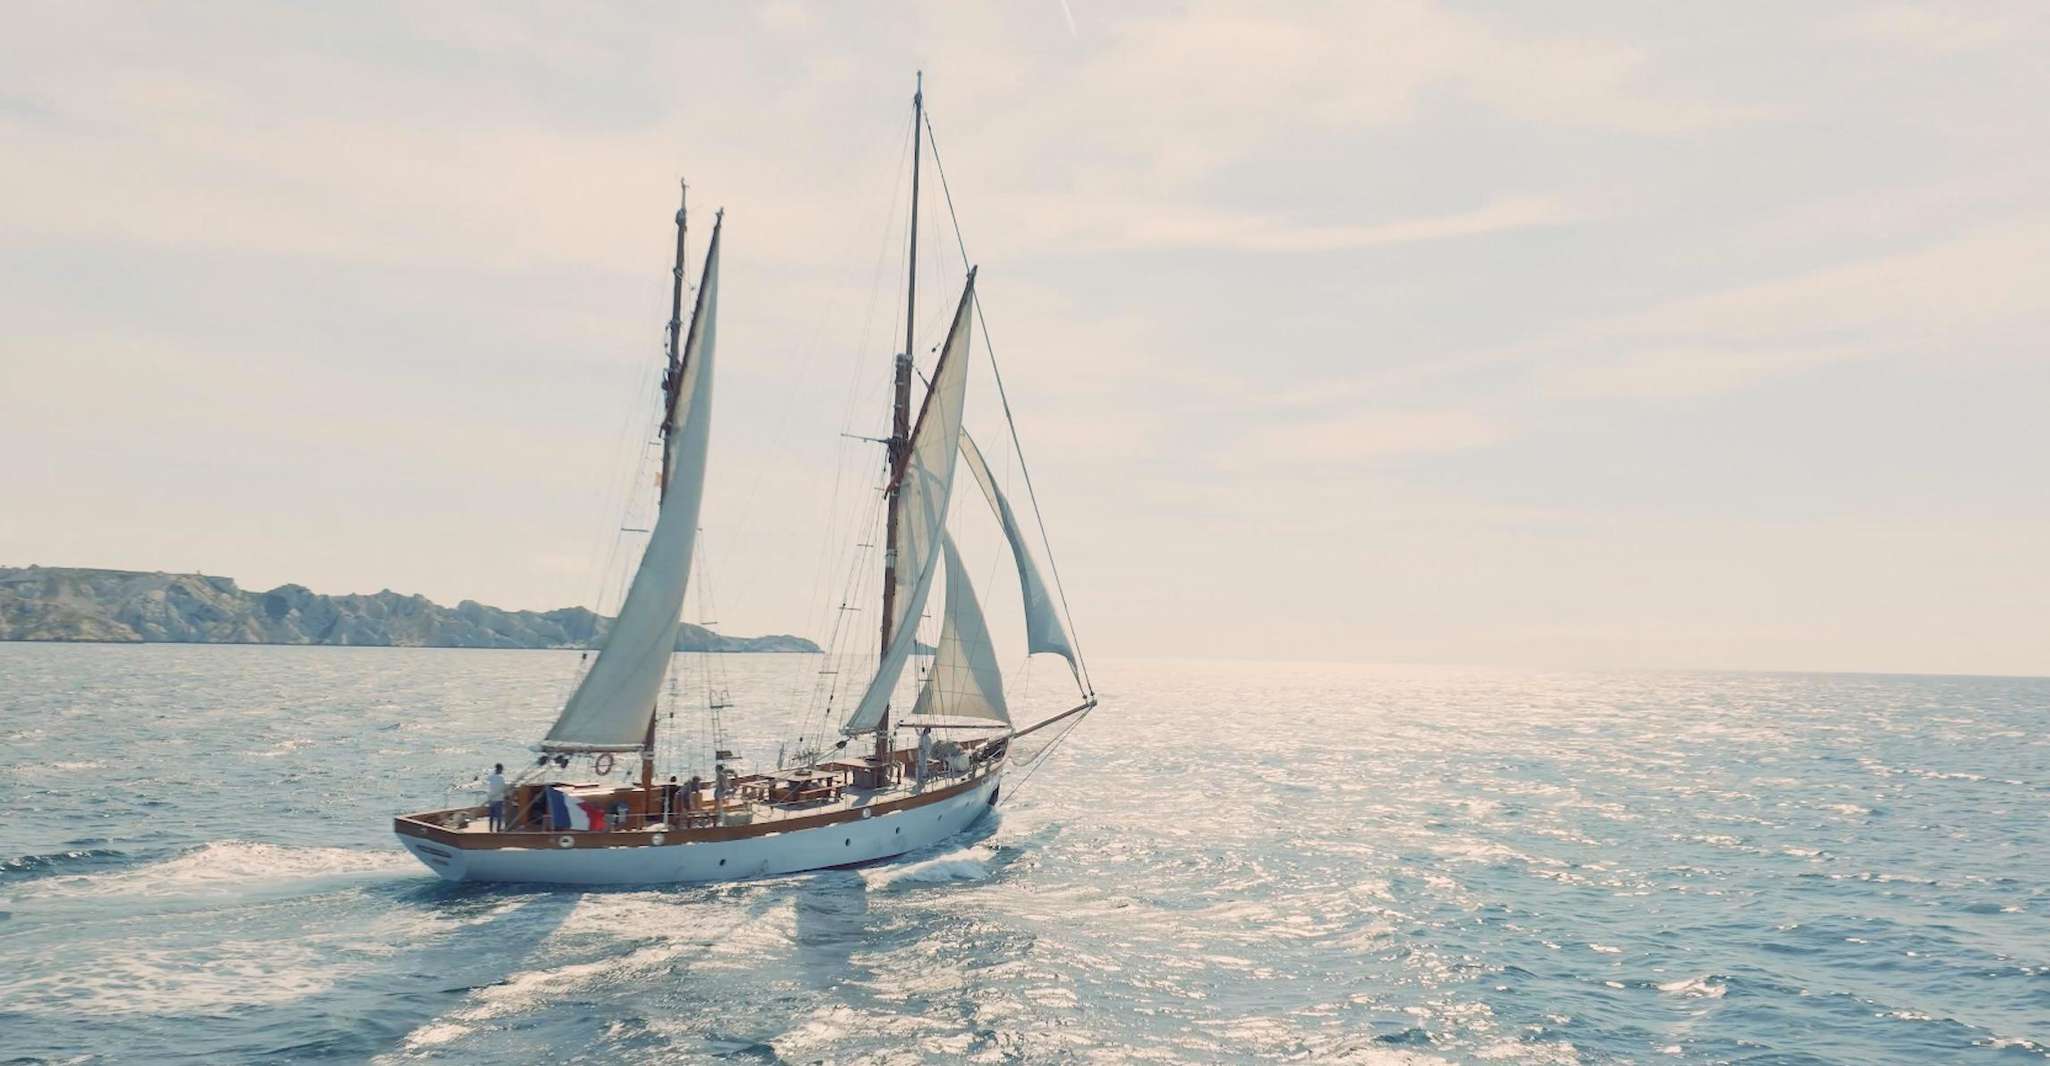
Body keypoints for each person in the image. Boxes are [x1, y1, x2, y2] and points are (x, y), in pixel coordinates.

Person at [486, 763, 508, 831]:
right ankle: (498, 830)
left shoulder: (491, 777)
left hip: (491, 799)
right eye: (502, 769)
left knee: (491, 816)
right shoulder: (501, 778)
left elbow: (488, 780)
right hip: (498, 800)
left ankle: (490, 830)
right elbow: (504, 788)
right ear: (500, 769)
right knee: (499, 816)